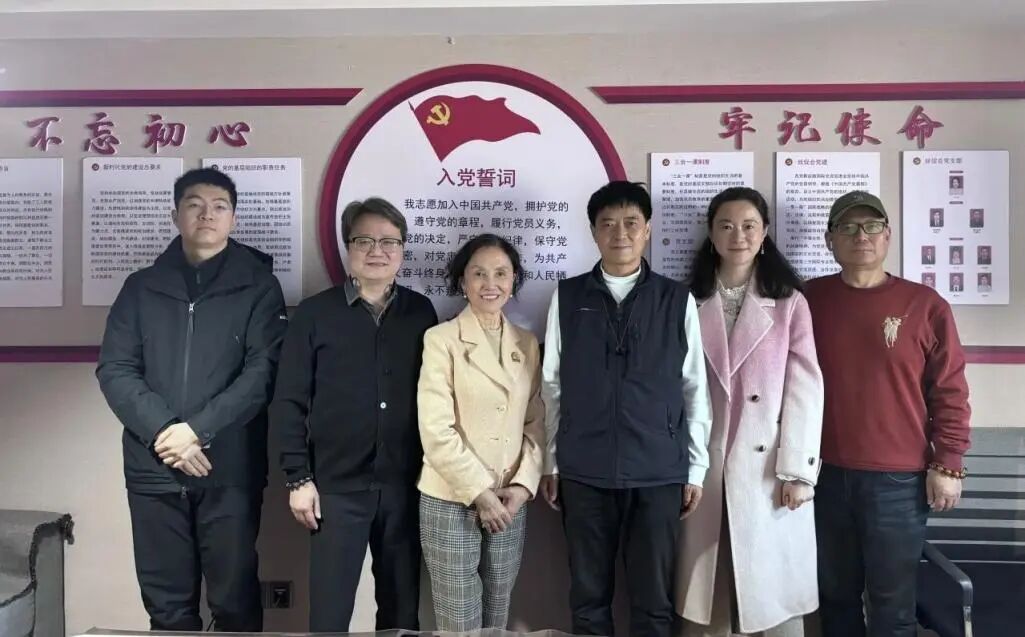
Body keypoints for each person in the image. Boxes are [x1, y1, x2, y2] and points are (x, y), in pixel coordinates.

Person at [96, 168, 287, 630]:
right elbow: (115, 369)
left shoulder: (259, 286)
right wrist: (166, 432)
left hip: (229, 467)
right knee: (167, 607)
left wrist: (197, 431)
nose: (207, 214)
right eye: (194, 205)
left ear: (233, 219)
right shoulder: (141, 287)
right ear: (175, 215)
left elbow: (262, 373)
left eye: (219, 206)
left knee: (235, 602)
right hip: (154, 467)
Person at [538, 180, 713, 637]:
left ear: (648, 230)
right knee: (588, 599)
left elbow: (694, 386)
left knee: (653, 602)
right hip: (584, 470)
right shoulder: (568, 297)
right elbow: (551, 384)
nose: (621, 233)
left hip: (657, 471)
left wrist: (695, 468)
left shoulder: (675, 299)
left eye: (631, 223)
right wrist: (552, 462)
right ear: (593, 232)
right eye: (608, 224)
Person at [806, 191, 971, 637]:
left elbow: (950, 389)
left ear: (888, 236)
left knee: (893, 608)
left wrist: (948, 462)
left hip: (898, 482)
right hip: (821, 476)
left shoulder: (925, 305)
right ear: (829, 240)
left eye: (872, 226)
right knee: (833, 600)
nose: (861, 236)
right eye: (847, 228)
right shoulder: (808, 299)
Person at [270, 198, 438, 631]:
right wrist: (298, 479)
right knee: (330, 614)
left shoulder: (420, 312)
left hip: (404, 487)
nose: (377, 250)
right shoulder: (314, 314)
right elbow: (289, 401)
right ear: (348, 247)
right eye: (365, 240)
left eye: (389, 242)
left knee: (401, 614)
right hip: (335, 489)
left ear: (402, 249)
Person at [676, 187, 823, 637]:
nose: (737, 235)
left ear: (764, 234)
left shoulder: (789, 302)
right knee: (709, 592)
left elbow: (805, 390)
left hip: (768, 469)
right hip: (704, 465)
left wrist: (798, 472)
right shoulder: (686, 300)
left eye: (748, 226)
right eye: (726, 225)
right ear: (711, 234)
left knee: (771, 594)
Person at [416, 234, 545, 632]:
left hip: (509, 502)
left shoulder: (527, 343)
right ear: (463, 281)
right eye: (479, 274)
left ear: (514, 280)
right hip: (453, 497)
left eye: (501, 273)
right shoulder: (440, 340)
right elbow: (435, 428)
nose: (491, 284)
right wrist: (480, 493)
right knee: (459, 622)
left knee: (497, 616)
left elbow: (536, 421)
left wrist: (522, 487)